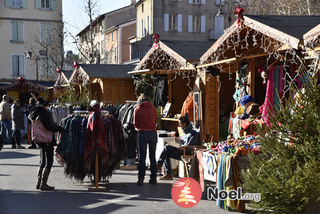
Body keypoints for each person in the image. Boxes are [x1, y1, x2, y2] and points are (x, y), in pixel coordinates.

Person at [28, 97, 62, 191]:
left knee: (42, 160)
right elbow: (49, 126)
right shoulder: (44, 113)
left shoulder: (35, 112)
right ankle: (44, 184)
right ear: (45, 106)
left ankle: (38, 183)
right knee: (49, 161)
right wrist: (59, 128)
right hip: (46, 139)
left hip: (39, 139)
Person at [157, 114, 200, 180]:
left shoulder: (192, 132)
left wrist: (182, 147)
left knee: (167, 148)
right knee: (166, 151)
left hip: (187, 152)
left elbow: (190, 145)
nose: (179, 126)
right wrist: (179, 140)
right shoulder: (188, 132)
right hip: (184, 151)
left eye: (180, 124)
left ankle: (161, 166)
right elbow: (185, 141)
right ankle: (165, 171)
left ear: (185, 124)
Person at [133, 94, 158, 185]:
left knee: (142, 157)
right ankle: (153, 177)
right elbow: (155, 121)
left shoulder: (138, 109)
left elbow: (135, 124)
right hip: (152, 133)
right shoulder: (153, 108)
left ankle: (141, 178)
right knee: (152, 156)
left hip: (142, 133)